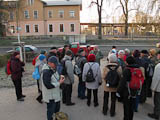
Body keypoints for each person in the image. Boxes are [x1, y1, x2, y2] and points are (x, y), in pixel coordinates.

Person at [117, 56, 142, 120]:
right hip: (135, 90)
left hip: (127, 91)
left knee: (126, 107)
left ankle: (126, 118)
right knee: (131, 106)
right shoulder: (138, 69)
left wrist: (118, 91)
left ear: (127, 62)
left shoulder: (127, 69)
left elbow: (122, 82)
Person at [41, 56, 64, 120]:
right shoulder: (46, 72)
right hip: (51, 97)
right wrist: (59, 83)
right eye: (55, 64)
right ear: (50, 63)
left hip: (55, 95)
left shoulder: (52, 68)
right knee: (50, 111)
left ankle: (56, 118)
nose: (56, 65)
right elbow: (48, 85)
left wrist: (60, 77)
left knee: (56, 109)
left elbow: (54, 78)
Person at [148, 51, 160, 120]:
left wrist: (153, 88)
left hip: (158, 88)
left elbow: (156, 78)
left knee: (157, 101)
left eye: (158, 55)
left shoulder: (158, 66)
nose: (157, 56)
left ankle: (156, 114)